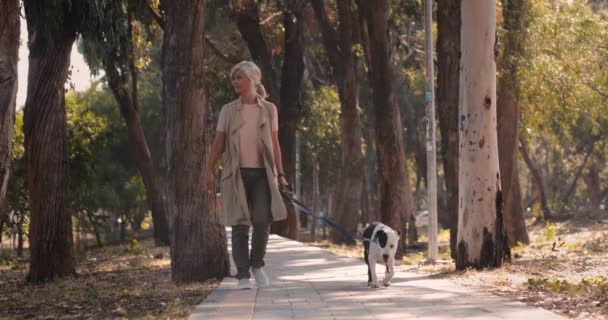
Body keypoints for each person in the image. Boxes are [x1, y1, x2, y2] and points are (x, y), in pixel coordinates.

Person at [205, 61, 289, 289]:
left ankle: (257, 266)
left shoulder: (269, 109)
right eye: (234, 78)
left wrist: (280, 173)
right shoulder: (228, 110)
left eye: (239, 77)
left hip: (263, 174)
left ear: (252, 79)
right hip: (236, 174)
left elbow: (275, 144)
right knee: (239, 224)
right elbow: (218, 144)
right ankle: (242, 274)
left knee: (263, 220)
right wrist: (208, 172)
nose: (235, 82)